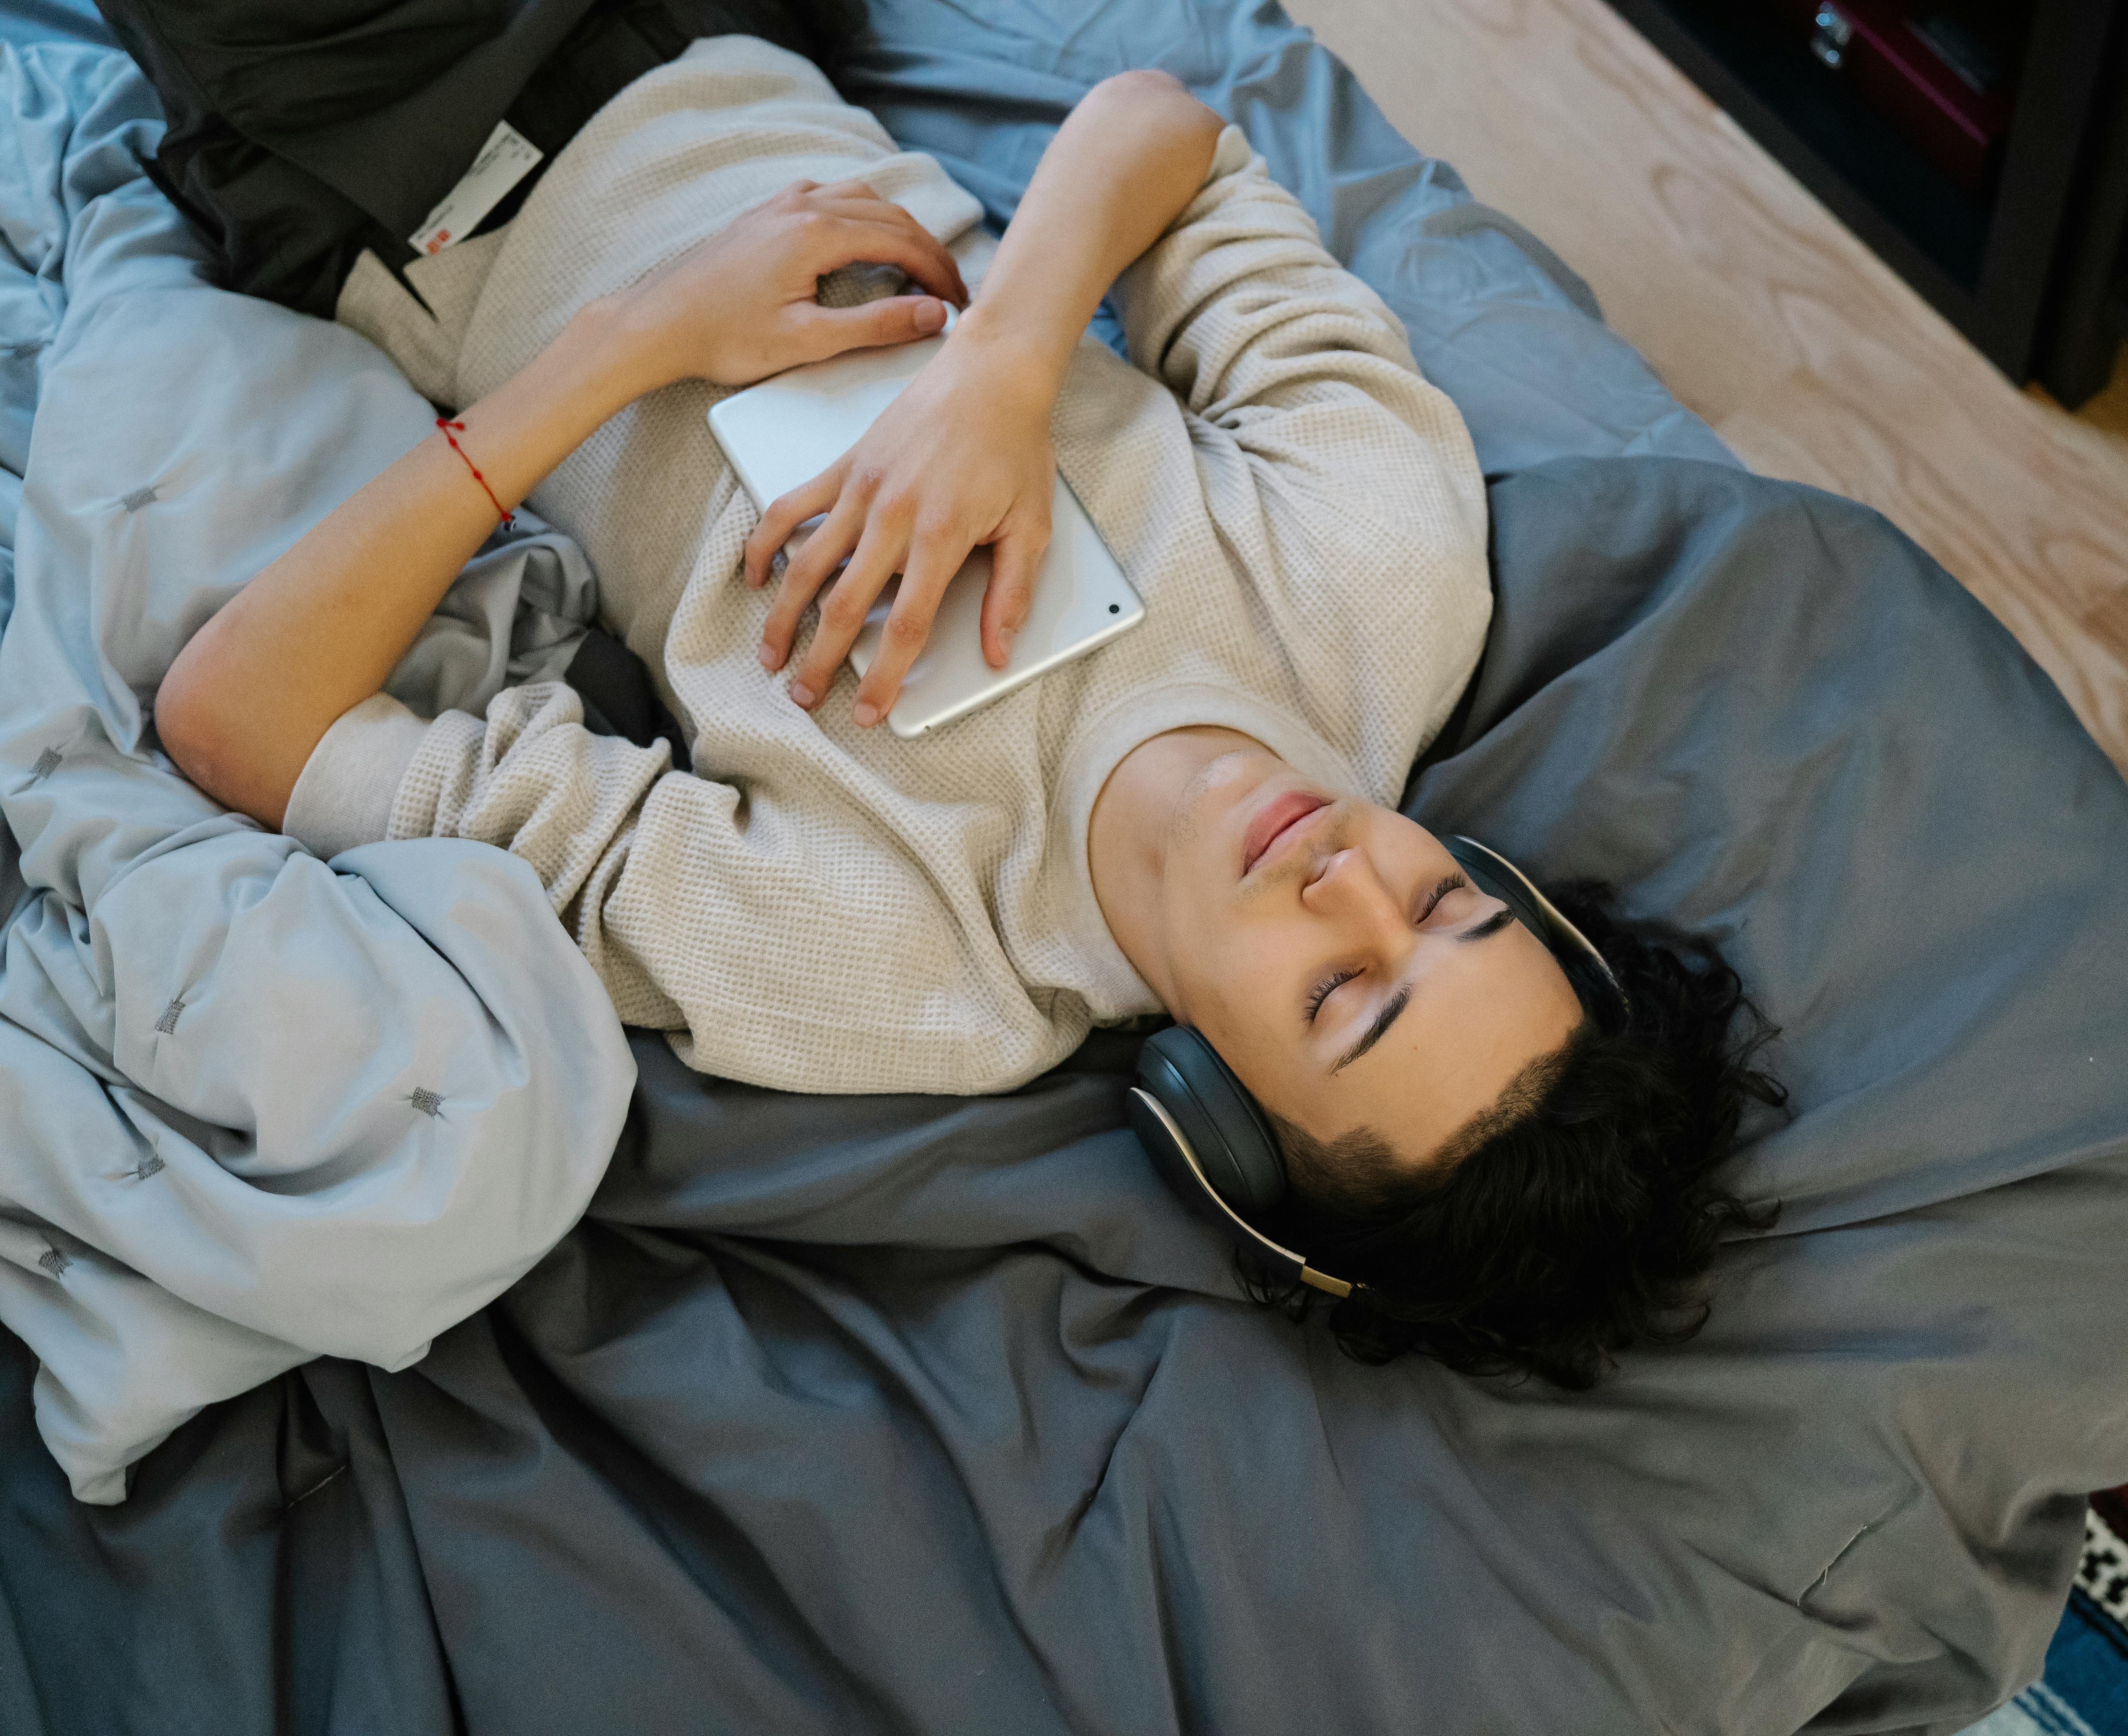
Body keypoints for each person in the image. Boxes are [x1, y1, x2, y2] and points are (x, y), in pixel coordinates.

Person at [154, 41, 1781, 1386]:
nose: (1348, 875)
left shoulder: (895, 963)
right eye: (1444, 903)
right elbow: (1169, 133)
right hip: (722, 33)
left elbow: (241, 714)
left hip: (407, 148)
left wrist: (627, 344)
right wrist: (1005, 365)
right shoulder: (1383, 588)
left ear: (1220, 1119)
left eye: (1344, 992)